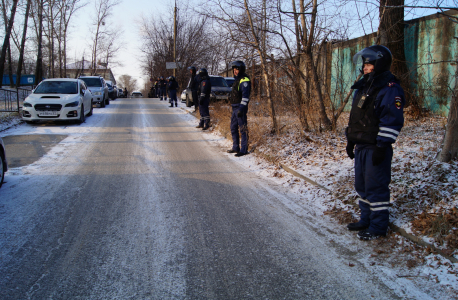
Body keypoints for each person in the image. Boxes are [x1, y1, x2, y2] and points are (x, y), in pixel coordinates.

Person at [345, 45, 405, 240]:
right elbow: (356, 116)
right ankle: (366, 219)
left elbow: (391, 119)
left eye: (369, 64)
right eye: (364, 63)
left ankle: (378, 226)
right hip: (362, 145)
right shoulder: (363, 85)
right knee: (362, 185)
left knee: (376, 186)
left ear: (379, 63)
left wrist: (383, 145)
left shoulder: (389, 88)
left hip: (376, 147)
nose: (365, 67)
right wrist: (351, 140)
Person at [227, 60, 251, 157]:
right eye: (234, 69)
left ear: (241, 69)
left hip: (240, 107)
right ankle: (235, 147)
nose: (235, 71)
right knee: (233, 127)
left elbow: (245, 96)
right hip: (234, 107)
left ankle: (243, 150)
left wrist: (241, 108)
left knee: (243, 129)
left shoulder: (244, 80)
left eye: (237, 69)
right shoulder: (237, 79)